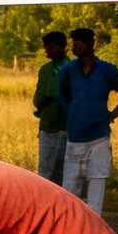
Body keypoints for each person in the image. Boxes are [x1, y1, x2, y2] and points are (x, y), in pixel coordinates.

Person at [56, 28, 118, 214]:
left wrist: (113, 114)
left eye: (79, 42)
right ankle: (71, 224)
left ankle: (95, 225)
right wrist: (72, 113)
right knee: (70, 185)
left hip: (99, 135)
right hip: (75, 135)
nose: (75, 46)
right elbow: (61, 94)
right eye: (73, 43)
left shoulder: (107, 70)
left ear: (91, 44)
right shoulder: (68, 70)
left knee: (97, 182)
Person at [32, 31, 69, 185]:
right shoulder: (45, 70)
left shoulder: (73, 68)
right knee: (45, 172)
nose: (47, 50)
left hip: (68, 126)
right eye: (45, 46)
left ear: (62, 47)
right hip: (47, 126)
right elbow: (37, 98)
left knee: (64, 171)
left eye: (51, 46)